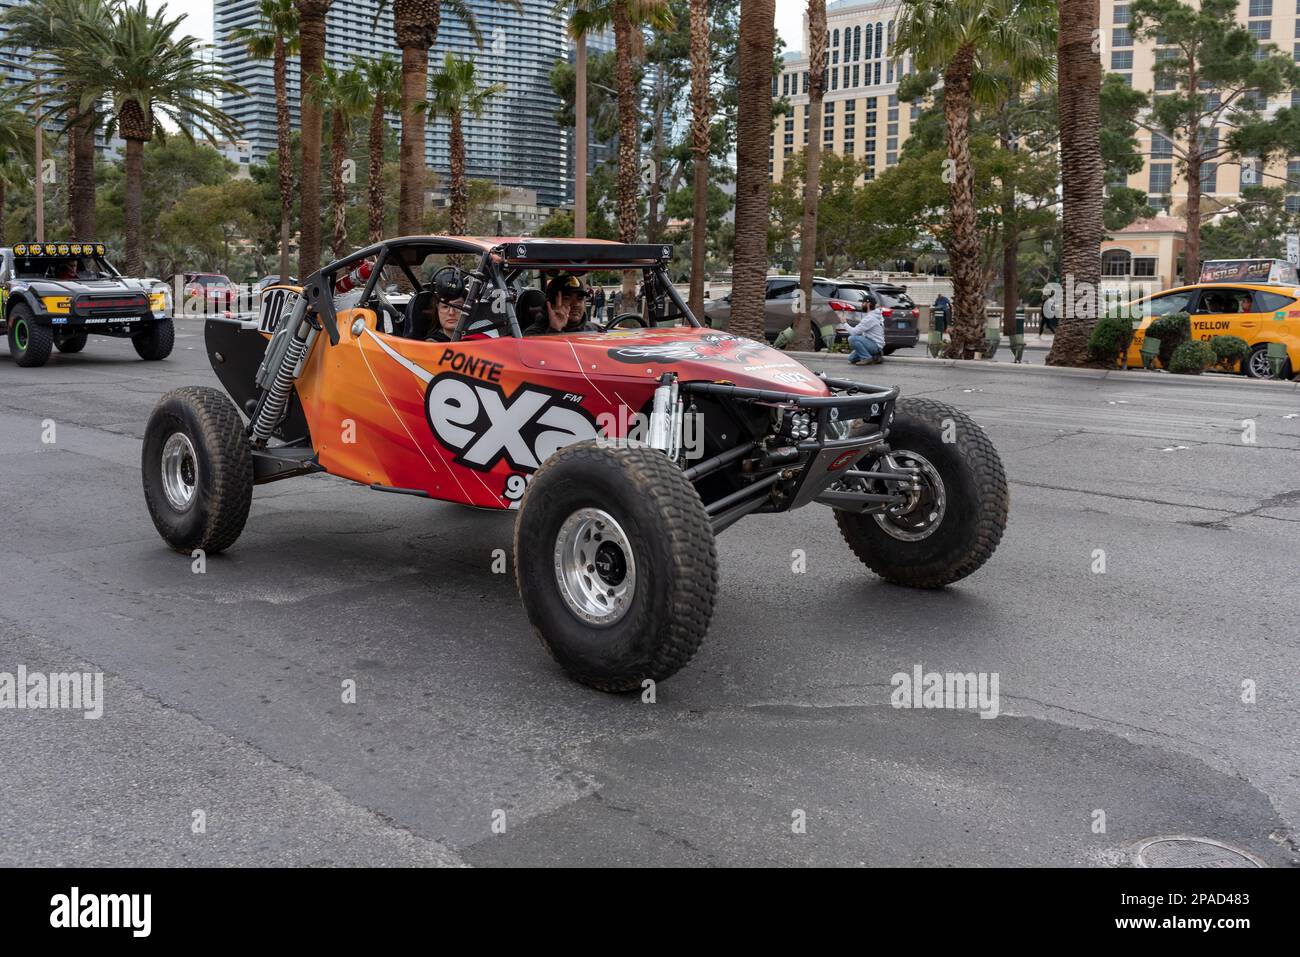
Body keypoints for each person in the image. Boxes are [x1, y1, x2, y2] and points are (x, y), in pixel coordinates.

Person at [524, 273, 600, 335]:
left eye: (580, 299)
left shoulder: (595, 330)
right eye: (567, 298)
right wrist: (555, 330)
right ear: (550, 304)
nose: (576, 304)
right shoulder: (533, 334)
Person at [424, 272, 468, 342]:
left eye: (457, 306)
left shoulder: (479, 340)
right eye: (445, 307)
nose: (451, 313)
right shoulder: (431, 345)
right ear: (437, 310)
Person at [845, 295, 885, 365]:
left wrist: (844, 323)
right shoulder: (876, 315)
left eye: (863, 303)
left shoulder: (870, 318)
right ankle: (875, 356)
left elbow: (854, 332)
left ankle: (866, 358)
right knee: (851, 358)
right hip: (875, 344)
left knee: (852, 339)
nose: (862, 305)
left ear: (868, 304)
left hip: (874, 344)